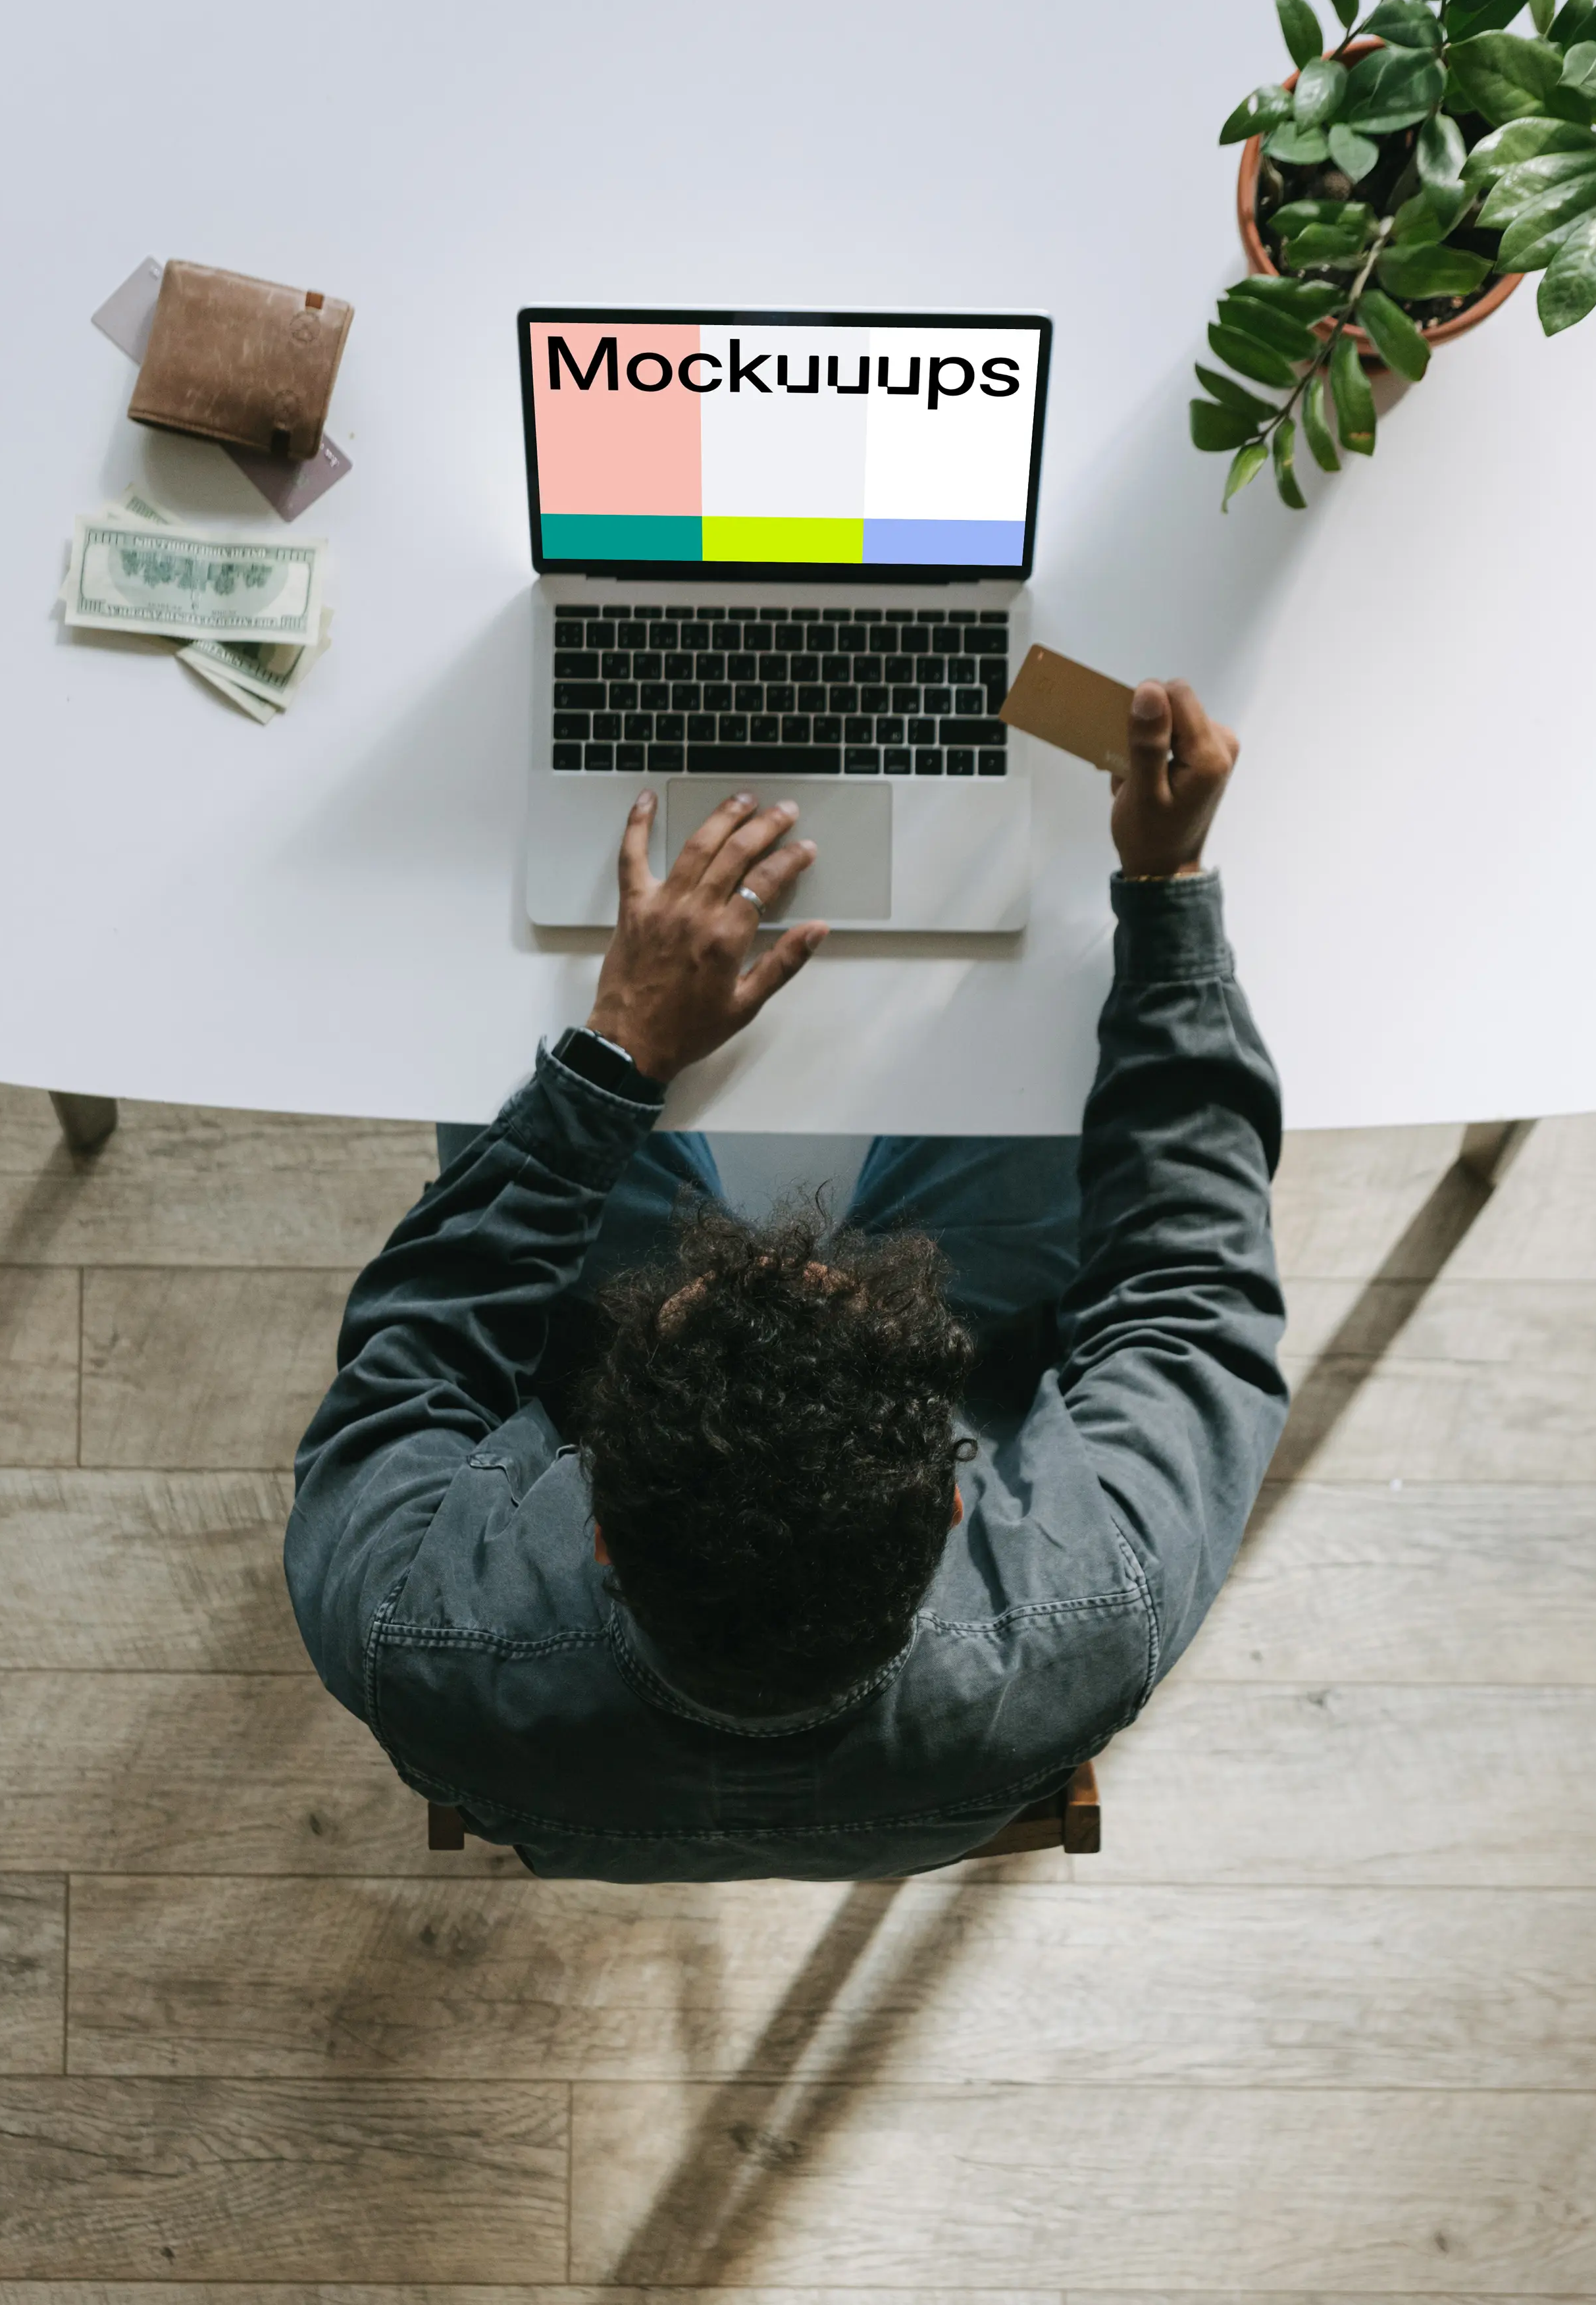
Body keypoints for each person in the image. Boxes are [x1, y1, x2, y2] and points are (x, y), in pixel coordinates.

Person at [286, 679, 1286, 1879]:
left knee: (515, 1041)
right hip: (909, 1511)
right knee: (1046, 1039)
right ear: (955, 1499)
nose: (795, 1249)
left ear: (597, 1527)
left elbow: (421, 1342)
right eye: (831, 1287)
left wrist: (613, 1058)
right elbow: (1190, 1288)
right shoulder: (1091, 1600)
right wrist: (1167, 896)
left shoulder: (412, 1623)